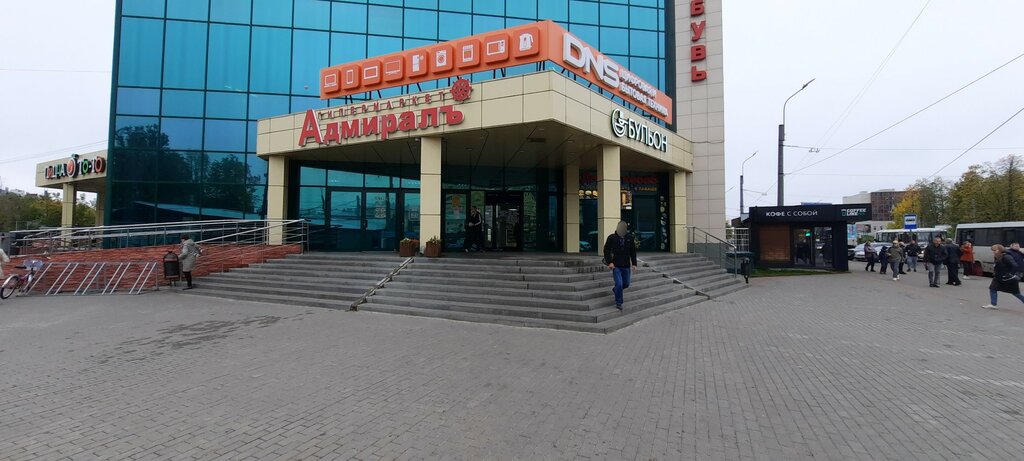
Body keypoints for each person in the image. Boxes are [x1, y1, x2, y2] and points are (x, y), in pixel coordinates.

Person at [603, 221, 637, 310]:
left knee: (626, 284)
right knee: (619, 284)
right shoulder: (611, 238)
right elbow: (606, 250)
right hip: (616, 266)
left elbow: (633, 252)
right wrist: (610, 262)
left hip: (626, 266)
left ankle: (615, 290)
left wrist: (634, 264)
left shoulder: (629, 238)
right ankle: (619, 302)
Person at [982, 244, 1024, 309]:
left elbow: (1014, 265)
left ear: (999, 250)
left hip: (1008, 279)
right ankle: (993, 304)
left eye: (995, 250)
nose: (993, 252)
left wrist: (1010, 274)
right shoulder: (997, 256)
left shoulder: (1006, 256)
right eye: (993, 251)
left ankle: (993, 304)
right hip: (998, 277)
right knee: (992, 288)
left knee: (1016, 293)